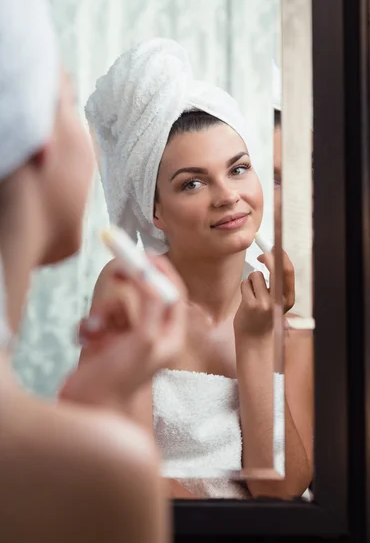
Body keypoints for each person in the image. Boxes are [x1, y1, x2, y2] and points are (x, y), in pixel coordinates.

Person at [61, 39, 313, 499]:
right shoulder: (134, 291)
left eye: (238, 169)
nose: (227, 195)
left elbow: (281, 494)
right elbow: (129, 480)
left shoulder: (294, 333)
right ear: (155, 211)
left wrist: (255, 346)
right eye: (192, 182)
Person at [0, 0, 187, 542]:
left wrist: (92, 402)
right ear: (36, 141)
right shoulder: (100, 473)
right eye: (67, 94)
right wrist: (98, 430)